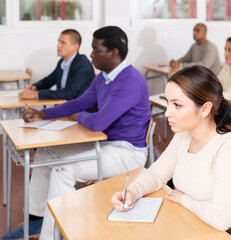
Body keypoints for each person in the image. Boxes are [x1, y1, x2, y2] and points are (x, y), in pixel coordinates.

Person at [2, 26, 151, 240]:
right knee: (44, 155)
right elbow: (81, 102)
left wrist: (78, 116)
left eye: (96, 50)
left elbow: (99, 121)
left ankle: (52, 236)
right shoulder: (104, 77)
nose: (91, 55)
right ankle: (35, 222)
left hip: (127, 153)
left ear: (114, 53)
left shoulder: (130, 81)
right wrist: (44, 114)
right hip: (104, 144)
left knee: (63, 170)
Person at [111, 66, 231, 240]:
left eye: (177, 105)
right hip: (194, 222)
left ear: (205, 109)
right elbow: (156, 175)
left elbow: (222, 219)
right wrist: (131, 193)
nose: (167, 112)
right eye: (168, 103)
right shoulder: (184, 136)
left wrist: (184, 199)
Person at [19, 29, 95, 100]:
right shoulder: (62, 61)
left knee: (36, 113)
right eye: (58, 41)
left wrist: (37, 94)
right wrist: (34, 87)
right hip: (65, 106)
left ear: (75, 47)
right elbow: (49, 80)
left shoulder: (83, 65)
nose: (58, 45)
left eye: (63, 43)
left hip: (81, 111)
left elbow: (69, 92)